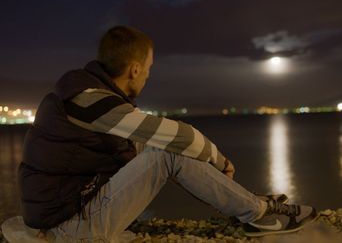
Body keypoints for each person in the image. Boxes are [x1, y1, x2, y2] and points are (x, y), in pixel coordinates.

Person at [18, 26, 317, 242]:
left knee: (159, 150)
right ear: (135, 70)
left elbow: (139, 147)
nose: (149, 74)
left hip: (65, 214)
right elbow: (177, 136)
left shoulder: (88, 96)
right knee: (165, 152)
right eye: (148, 68)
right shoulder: (89, 100)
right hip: (67, 228)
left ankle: (246, 204)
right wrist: (219, 160)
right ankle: (258, 213)